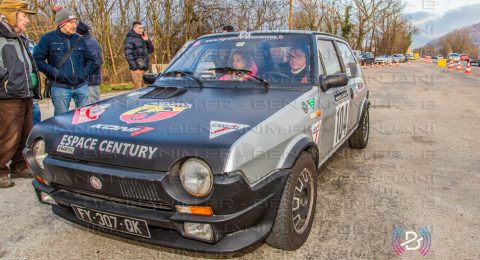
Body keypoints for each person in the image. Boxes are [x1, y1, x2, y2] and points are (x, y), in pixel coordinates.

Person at [0, 0, 38, 188]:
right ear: (12, 14)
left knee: (25, 132)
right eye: (24, 16)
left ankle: (19, 165)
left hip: (24, 90)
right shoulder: (1, 33)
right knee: (7, 134)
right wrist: (4, 77)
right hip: (8, 93)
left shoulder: (18, 36)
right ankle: (0, 171)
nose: (27, 21)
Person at [33, 8, 95, 116]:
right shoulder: (48, 38)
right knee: (61, 120)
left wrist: (84, 74)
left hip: (81, 86)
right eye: (70, 22)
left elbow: (91, 59)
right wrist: (54, 72)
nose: (74, 25)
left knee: (85, 119)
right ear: (61, 23)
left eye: (75, 22)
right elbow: (37, 60)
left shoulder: (79, 39)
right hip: (60, 87)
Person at [76, 21, 102, 104]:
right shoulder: (82, 41)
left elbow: (96, 62)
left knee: (93, 105)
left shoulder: (90, 43)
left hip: (91, 80)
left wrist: (83, 73)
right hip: (85, 80)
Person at [124, 21, 154, 89]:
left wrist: (147, 40)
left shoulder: (143, 38)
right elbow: (128, 54)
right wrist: (135, 68)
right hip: (137, 69)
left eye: (142, 28)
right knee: (138, 90)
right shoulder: (129, 39)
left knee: (145, 90)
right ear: (135, 28)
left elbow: (151, 50)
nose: (142, 30)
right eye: (140, 28)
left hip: (145, 68)